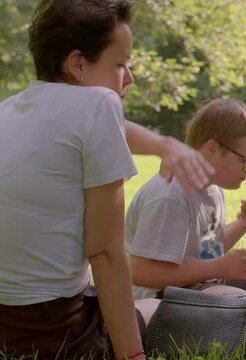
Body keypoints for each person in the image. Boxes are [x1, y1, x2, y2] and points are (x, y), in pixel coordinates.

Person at [0, 0, 148, 358]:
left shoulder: (7, 111)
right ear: (78, 63)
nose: (128, 78)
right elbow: (104, 253)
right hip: (49, 328)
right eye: (120, 64)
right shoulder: (99, 103)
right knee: (165, 310)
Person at [125, 98, 246, 302]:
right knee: (233, 297)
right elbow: (142, 272)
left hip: (210, 285)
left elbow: (207, 252)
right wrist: (219, 267)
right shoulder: (170, 195)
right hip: (163, 298)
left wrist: (245, 222)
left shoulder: (212, 189)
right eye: (245, 160)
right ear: (212, 148)